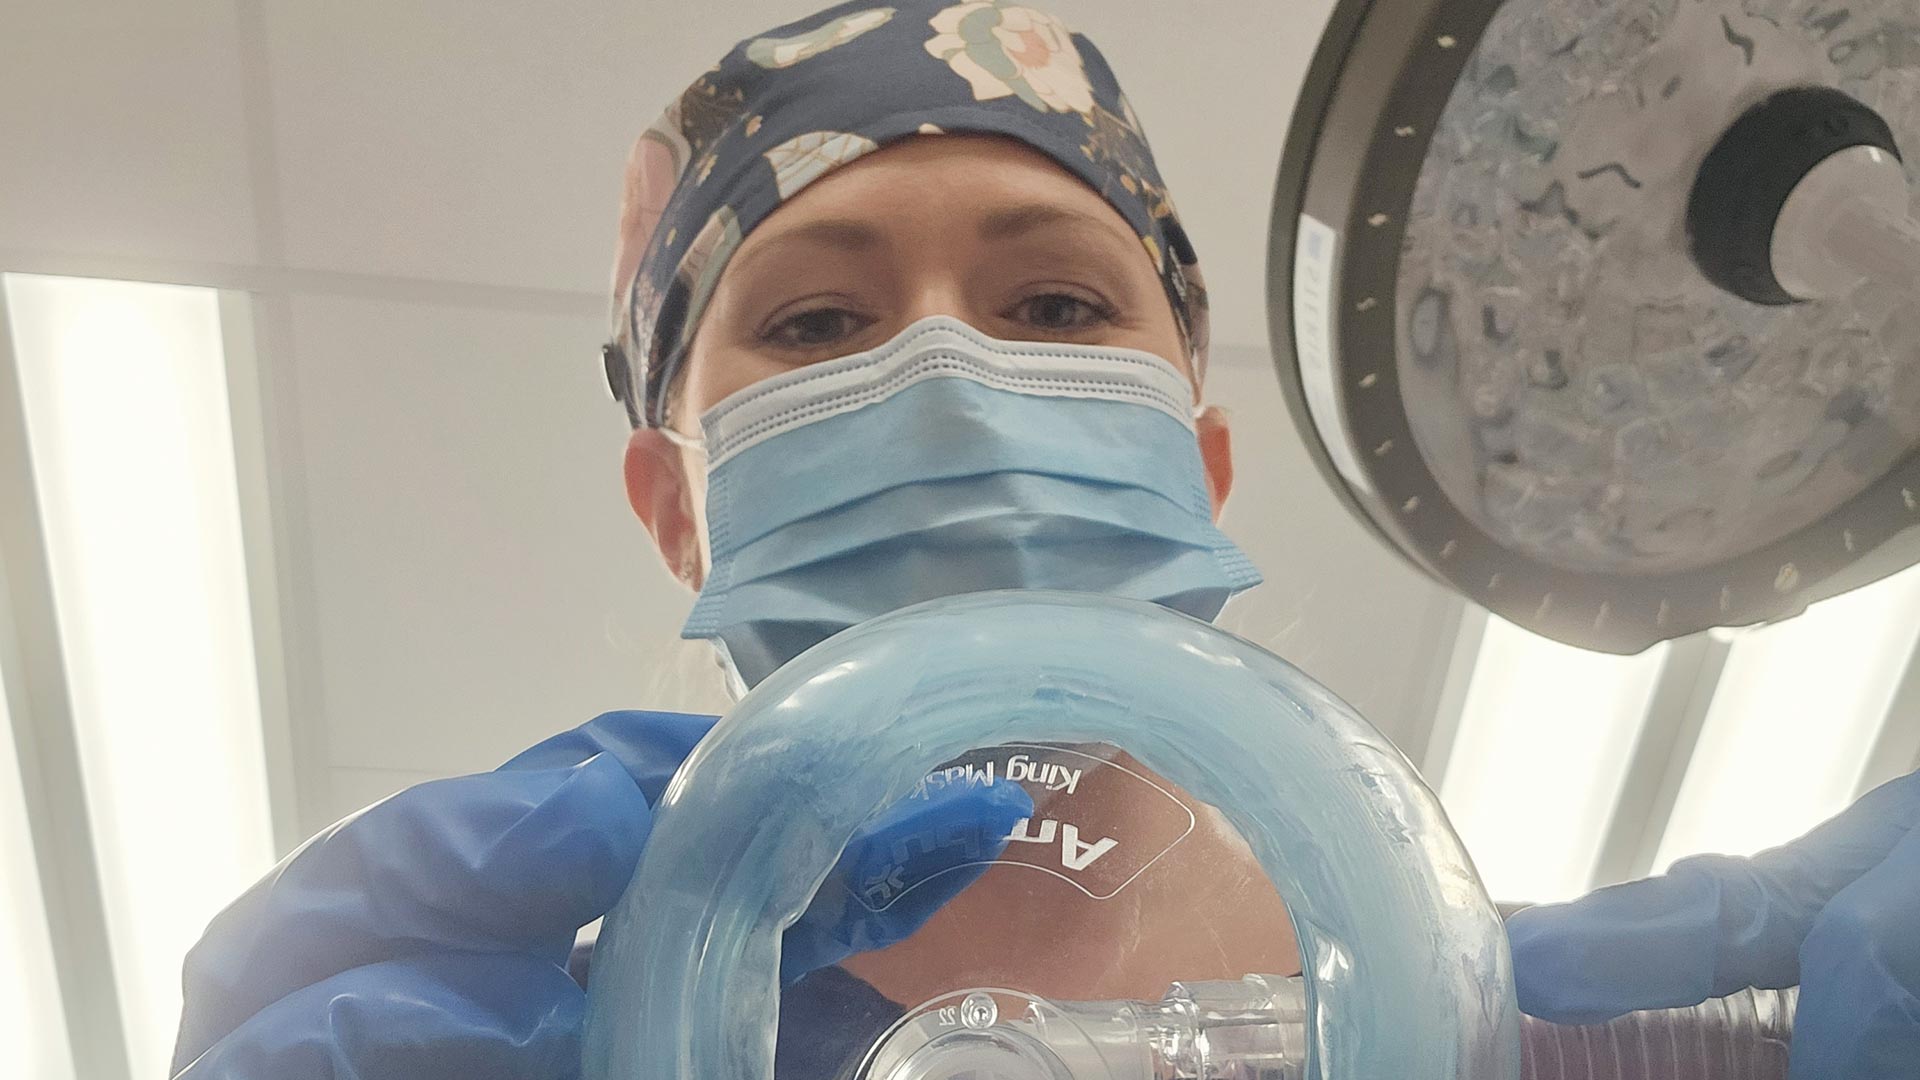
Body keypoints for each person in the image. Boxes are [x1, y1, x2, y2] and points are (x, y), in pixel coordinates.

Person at [169, 2, 1917, 1078]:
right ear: (677, 502)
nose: (949, 373)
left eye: (1060, 303)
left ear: (1204, 461)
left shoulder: (1590, 1031)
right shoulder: (504, 1049)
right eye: (818, 326)